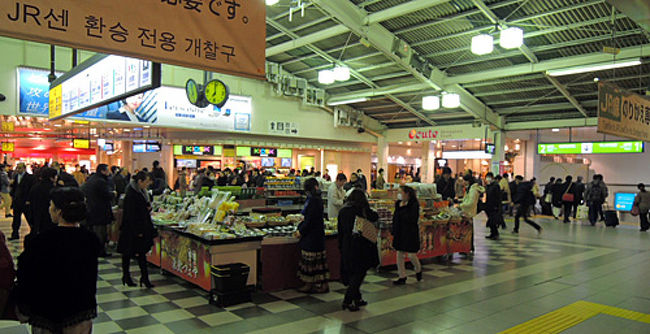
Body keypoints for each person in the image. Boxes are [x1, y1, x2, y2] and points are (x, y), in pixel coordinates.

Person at [14, 187, 101, 334]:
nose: (49, 209)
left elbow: (26, 275)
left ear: (59, 212)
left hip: (45, 310)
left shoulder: (40, 241)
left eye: (51, 206)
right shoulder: (91, 239)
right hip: (79, 308)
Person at [338, 189, 379, 312]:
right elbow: (374, 217)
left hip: (347, 244)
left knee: (352, 273)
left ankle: (357, 298)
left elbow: (340, 230)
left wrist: (340, 245)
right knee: (359, 273)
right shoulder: (362, 210)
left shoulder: (343, 210)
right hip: (360, 246)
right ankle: (348, 300)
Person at [117, 172, 156, 288]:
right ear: (140, 181)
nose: (148, 184)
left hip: (139, 228)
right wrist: (138, 231)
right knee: (131, 253)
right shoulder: (132, 194)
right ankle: (130, 276)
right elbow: (131, 214)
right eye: (146, 181)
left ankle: (141, 277)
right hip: (134, 229)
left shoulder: (141, 192)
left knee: (137, 253)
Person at [295, 178, 329, 293]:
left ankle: (309, 283)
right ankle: (322, 284)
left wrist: (301, 230)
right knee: (319, 262)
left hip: (312, 236)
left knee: (310, 260)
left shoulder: (313, 201)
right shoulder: (317, 199)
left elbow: (310, 220)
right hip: (318, 235)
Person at [81, 164, 115, 257]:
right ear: (103, 171)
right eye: (107, 170)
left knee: (94, 232)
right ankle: (100, 251)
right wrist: (113, 194)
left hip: (91, 209)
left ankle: (94, 249)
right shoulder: (101, 182)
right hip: (100, 211)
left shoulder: (91, 180)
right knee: (101, 233)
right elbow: (106, 195)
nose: (109, 173)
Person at [392, 186, 422, 285]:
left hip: (410, 232)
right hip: (400, 232)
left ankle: (418, 269)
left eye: (401, 192)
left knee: (411, 254)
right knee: (399, 254)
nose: (399, 194)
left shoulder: (414, 204)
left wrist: (402, 209)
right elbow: (395, 217)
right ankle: (402, 276)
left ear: (407, 193)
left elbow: (412, 218)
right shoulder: (397, 203)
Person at [27, 167, 58, 236]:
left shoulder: (35, 187)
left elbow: (30, 203)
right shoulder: (53, 190)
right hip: (49, 219)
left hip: (36, 218)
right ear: (51, 177)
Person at [9, 163, 35, 240]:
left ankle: (33, 233)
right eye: (17, 168)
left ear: (24, 168)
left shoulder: (30, 177)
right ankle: (15, 234)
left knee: (29, 218)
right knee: (16, 219)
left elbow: (31, 189)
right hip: (17, 201)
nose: (18, 169)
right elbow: (15, 188)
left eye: (20, 168)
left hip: (25, 202)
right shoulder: (16, 176)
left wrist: (29, 200)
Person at [484, 173, 503, 240]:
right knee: (491, 220)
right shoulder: (488, 185)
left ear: (492, 177)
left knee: (493, 221)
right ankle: (493, 233)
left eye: (489, 177)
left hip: (494, 206)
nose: (487, 179)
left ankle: (495, 234)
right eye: (487, 177)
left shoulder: (496, 186)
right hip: (489, 205)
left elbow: (498, 197)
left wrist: (498, 206)